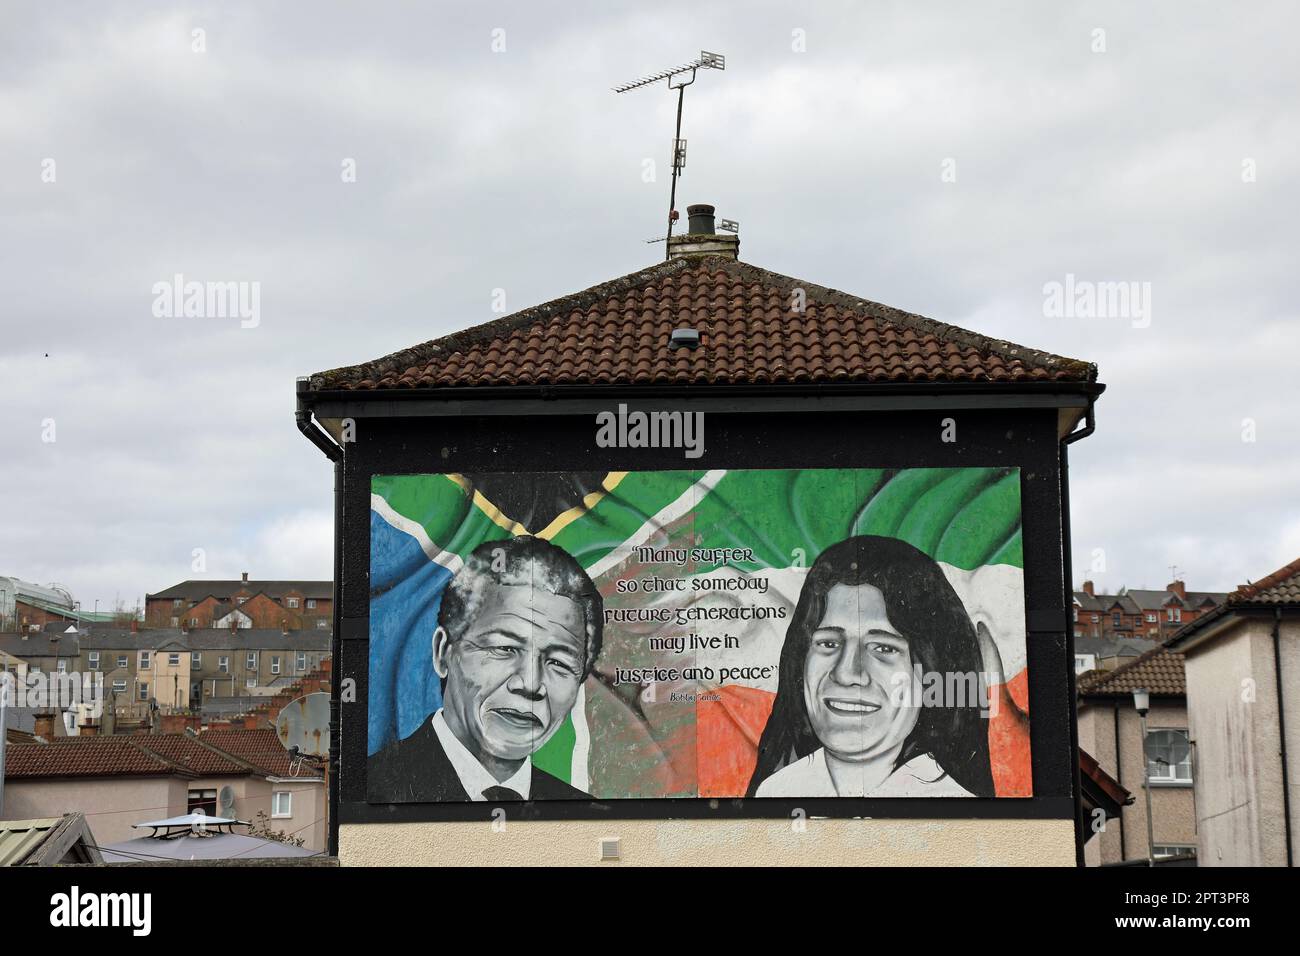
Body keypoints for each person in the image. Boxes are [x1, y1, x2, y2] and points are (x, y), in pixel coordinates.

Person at [747, 535, 995, 798]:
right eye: (829, 643)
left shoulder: (955, 809)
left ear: (933, 671)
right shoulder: (773, 793)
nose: (845, 673)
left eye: (884, 648)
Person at [369, 535, 602, 802]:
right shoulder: (375, 788)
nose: (530, 683)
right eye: (504, 648)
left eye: (559, 663)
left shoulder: (579, 812)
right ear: (443, 653)